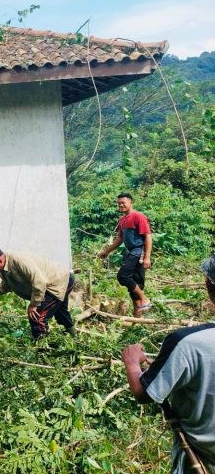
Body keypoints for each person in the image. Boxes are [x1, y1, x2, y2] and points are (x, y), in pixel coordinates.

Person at [121, 254, 215, 474]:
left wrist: (132, 362)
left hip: (201, 463)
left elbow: (143, 393)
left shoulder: (187, 343)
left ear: (208, 283)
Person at [0, 247, 76, 339]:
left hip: (57, 283)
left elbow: (40, 281)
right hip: (54, 283)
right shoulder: (3, 270)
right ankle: (74, 337)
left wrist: (34, 304)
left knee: (37, 317)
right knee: (61, 312)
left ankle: (42, 349)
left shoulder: (18, 260)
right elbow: (6, 286)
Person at [97, 193, 153, 317]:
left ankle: (145, 299)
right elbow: (120, 238)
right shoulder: (122, 220)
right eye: (119, 203)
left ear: (131, 202)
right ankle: (137, 319)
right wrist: (106, 251)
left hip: (138, 251)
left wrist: (147, 257)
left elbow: (148, 236)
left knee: (123, 276)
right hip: (130, 252)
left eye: (123, 203)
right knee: (135, 285)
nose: (121, 205)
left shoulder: (138, 216)